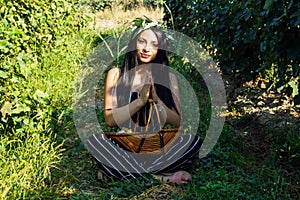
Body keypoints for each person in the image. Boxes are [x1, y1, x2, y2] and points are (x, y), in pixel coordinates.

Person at [87, 17, 202, 184]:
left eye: (154, 45)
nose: (147, 48)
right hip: (125, 144)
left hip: (158, 145)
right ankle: (161, 177)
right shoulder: (116, 74)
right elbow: (110, 120)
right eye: (142, 41)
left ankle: (122, 172)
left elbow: (178, 120)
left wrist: (156, 101)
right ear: (134, 43)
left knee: (193, 142)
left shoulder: (168, 77)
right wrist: (139, 101)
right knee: (96, 141)